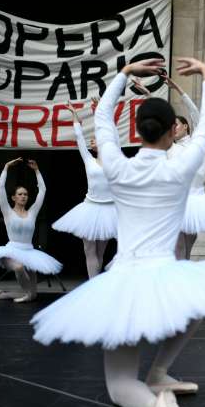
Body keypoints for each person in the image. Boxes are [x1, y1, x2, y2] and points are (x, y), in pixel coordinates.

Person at [31, 58, 205, 407]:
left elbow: (103, 119)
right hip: (166, 271)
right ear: (173, 131)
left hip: (125, 275)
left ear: (136, 131)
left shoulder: (117, 165)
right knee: (197, 306)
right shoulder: (179, 168)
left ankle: (159, 402)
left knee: (120, 386)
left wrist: (123, 75)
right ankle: (160, 374)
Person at [136, 74, 205, 260]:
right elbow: (158, 118)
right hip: (177, 201)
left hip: (196, 201)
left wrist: (178, 89)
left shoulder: (195, 142)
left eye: (177, 125)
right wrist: (148, 95)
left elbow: (196, 114)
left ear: (186, 126)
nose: (174, 128)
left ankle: (184, 281)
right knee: (178, 248)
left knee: (186, 249)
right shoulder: (170, 147)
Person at [0, 158, 62, 302]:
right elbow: (0, 186)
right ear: (13, 197)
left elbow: (43, 191)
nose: (23, 196)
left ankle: (2, 294)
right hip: (11, 251)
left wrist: (37, 171)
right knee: (19, 268)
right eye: (20, 194)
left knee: (33, 295)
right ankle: (25, 296)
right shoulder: (7, 212)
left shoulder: (32, 212)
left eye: (25, 194)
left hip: (29, 252)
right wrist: (6, 167)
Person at [52, 104, 117, 277]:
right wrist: (74, 117)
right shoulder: (88, 159)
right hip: (89, 208)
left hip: (109, 210)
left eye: (95, 138)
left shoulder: (114, 158)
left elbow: (113, 134)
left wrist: (100, 113)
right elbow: (79, 138)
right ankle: (92, 286)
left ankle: (95, 285)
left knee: (100, 253)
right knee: (89, 251)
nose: (92, 141)